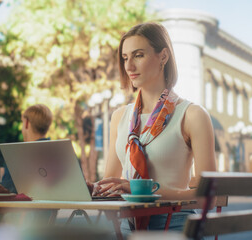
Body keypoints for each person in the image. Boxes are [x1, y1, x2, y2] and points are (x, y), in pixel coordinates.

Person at [90, 22, 216, 234]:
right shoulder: (120, 117)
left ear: (163, 57)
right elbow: (110, 184)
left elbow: (208, 196)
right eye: (125, 58)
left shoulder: (192, 115)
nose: (129, 66)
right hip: (128, 229)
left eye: (138, 55)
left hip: (175, 228)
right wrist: (92, 188)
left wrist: (144, 192)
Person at [0, 104, 53, 193]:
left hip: (21, 207)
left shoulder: (16, 157)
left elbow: (6, 194)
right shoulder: (62, 154)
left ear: (27, 123)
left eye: (22, 122)